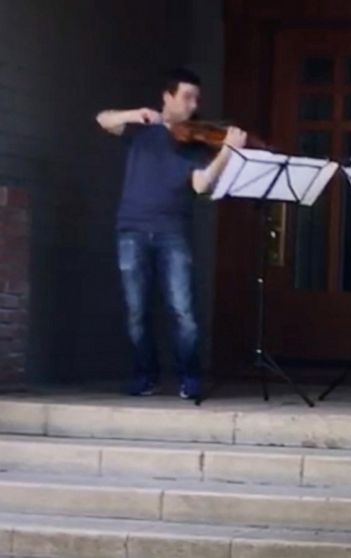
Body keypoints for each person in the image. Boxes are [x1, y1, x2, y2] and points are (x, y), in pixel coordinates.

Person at [96, 68, 247, 400]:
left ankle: (189, 377)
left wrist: (227, 152)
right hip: (131, 230)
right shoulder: (139, 130)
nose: (193, 105)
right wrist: (136, 114)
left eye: (196, 99)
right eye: (186, 97)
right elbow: (103, 120)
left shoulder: (194, 141)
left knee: (183, 310)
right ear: (167, 96)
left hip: (173, 232)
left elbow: (201, 184)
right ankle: (145, 376)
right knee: (137, 310)